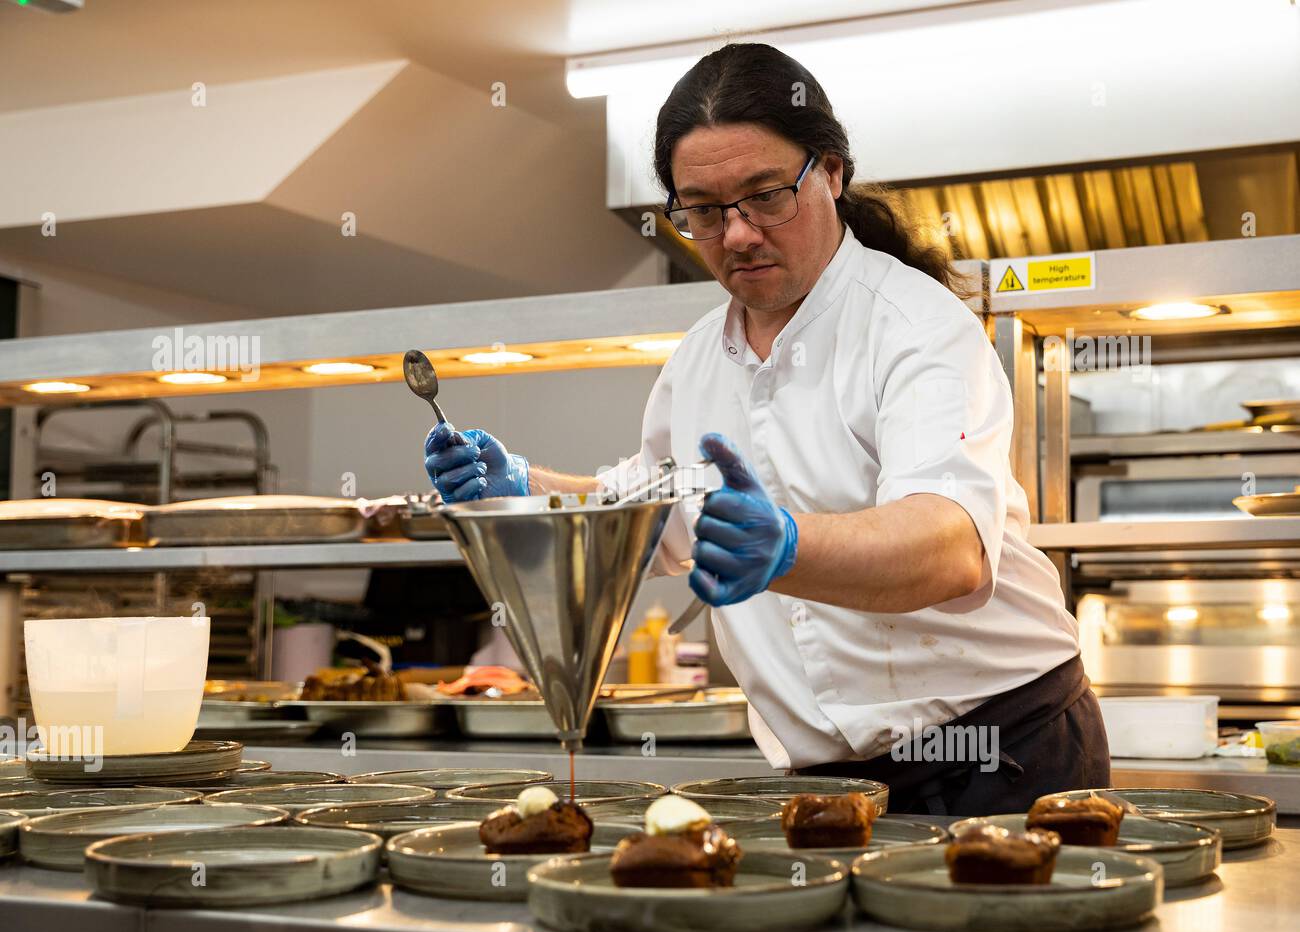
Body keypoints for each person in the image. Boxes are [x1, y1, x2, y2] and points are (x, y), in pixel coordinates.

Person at [423, 42, 1108, 815]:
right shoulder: (697, 361)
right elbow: (657, 510)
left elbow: (949, 547)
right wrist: (528, 490)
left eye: (766, 195)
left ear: (833, 172)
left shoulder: (916, 325)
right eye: (705, 211)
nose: (739, 233)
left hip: (997, 752)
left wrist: (785, 546)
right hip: (824, 782)